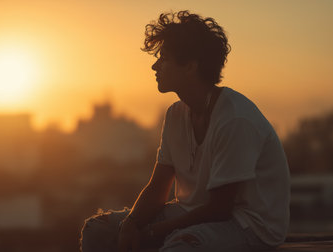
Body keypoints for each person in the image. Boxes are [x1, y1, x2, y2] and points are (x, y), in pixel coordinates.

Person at [80, 10, 290, 252]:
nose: (154, 65)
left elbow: (220, 208)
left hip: (248, 225)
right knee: (98, 231)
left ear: (190, 66)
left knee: (178, 247)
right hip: (191, 212)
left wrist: (155, 231)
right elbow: (158, 187)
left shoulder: (235, 120)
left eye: (164, 58)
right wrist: (132, 223)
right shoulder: (175, 115)